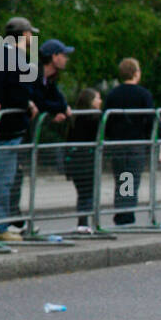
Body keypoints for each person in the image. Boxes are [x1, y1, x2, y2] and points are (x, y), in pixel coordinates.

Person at [0, 18, 39, 239]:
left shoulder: (5, 54)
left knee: (6, 178)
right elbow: (16, 88)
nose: (32, 38)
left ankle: (2, 224)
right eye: (31, 34)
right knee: (3, 179)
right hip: (7, 130)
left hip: (7, 128)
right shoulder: (10, 56)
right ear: (23, 34)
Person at [102, 59, 156, 225]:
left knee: (122, 178)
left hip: (117, 143)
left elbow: (106, 119)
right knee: (130, 178)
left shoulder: (113, 94)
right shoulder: (143, 94)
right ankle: (126, 213)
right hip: (135, 142)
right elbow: (151, 119)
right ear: (135, 73)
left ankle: (121, 210)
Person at [65, 88, 102, 231]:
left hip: (76, 161)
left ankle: (83, 221)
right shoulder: (95, 118)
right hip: (88, 160)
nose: (100, 101)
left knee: (83, 193)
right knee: (87, 193)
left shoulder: (75, 118)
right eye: (97, 98)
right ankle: (84, 223)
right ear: (90, 101)